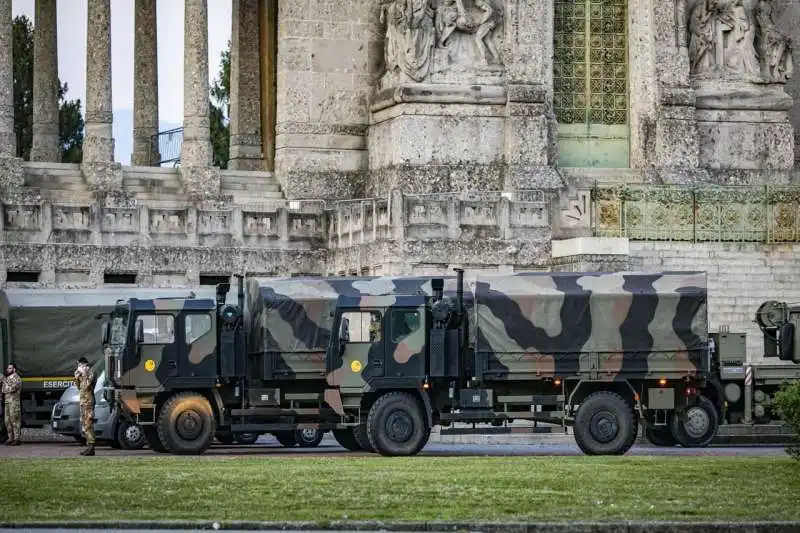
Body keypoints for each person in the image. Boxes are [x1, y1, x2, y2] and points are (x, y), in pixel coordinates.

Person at [74, 357, 96, 456]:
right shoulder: (81, 373)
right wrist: (77, 377)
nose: (79, 367)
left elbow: (87, 385)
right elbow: (79, 387)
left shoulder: (89, 372)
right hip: (83, 402)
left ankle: (91, 447)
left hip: (88, 402)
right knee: (84, 425)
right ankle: (89, 447)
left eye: (80, 365)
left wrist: (84, 373)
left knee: (88, 424)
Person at [1, 363, 22, 445]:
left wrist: (6, 387)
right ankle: (10, 438)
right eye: (7, 368)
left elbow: (12, 388)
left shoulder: (17, 378)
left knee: (15, 421)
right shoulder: (8, 379)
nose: (8, 369)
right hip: (7, 402)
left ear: (14, 369)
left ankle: (17, 439)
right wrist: (6, 387)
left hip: (14, 403)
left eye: (10, 368)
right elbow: (3, 390)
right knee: (7, 421)